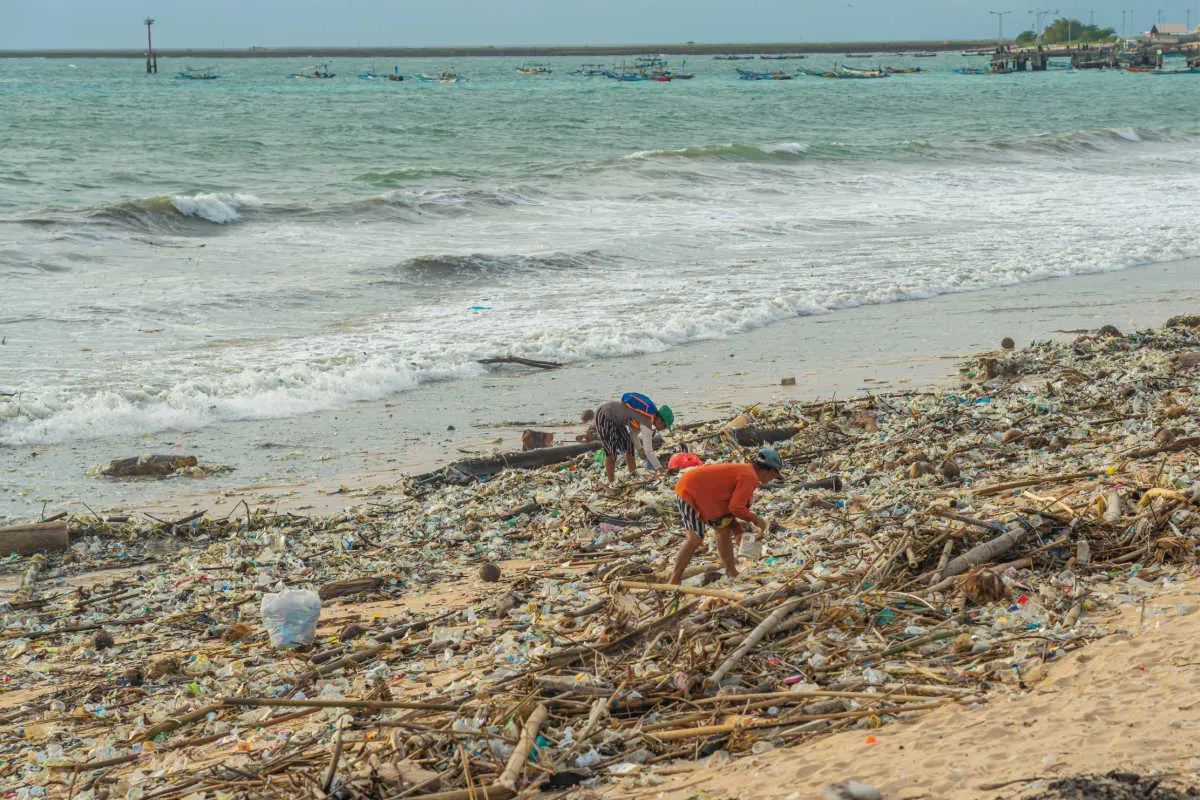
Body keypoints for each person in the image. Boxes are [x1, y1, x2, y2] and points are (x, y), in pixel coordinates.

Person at [667, 448, 785, 585]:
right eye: (774, 476)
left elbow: (729, 509)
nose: (772, 479)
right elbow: (736, 507)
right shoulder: (749, 477)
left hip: (704, 495)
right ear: (770, 471)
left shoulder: (746, 472)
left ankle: (731, 571)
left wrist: (738, 532)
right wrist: (757, 520)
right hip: (689, 490)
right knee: (695, 538)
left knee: (723, 531)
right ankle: (674, 580)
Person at [593, 392, 674, 484]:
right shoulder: (646, 422)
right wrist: (659, 468)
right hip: (605, 414)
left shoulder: (645, 414)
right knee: (611, 452)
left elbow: (633, 434)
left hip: (618, 420)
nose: (664, 429)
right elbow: (648, 451)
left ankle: (633, 474)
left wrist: (639, 449)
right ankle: (611, 482)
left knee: (629, 446)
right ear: (660, 420)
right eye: (664, 426)